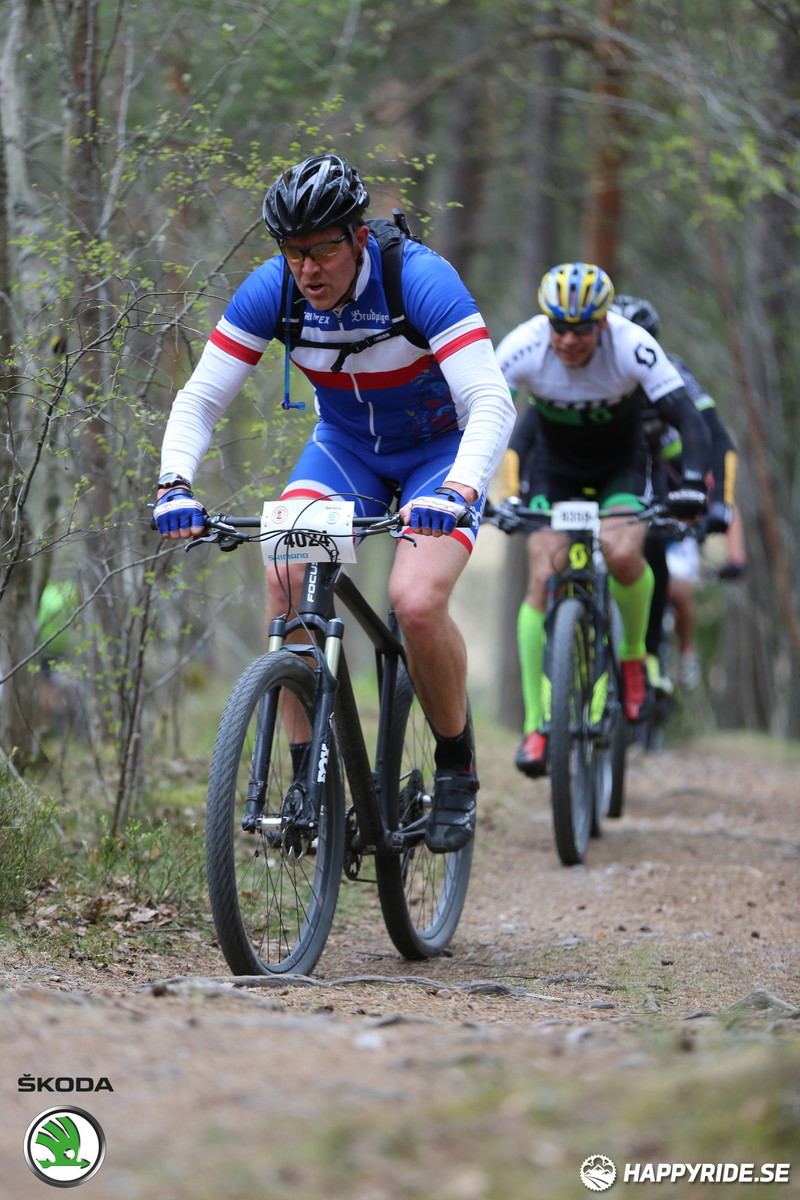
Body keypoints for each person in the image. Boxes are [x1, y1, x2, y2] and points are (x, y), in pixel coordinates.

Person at [153, 153, 515, 852]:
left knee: (413, 601)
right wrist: (175, 485)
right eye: (293, 253)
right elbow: (200, 399)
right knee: (284, 575)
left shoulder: (419, 279)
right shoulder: (275, 292)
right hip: (346, 452)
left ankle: (456, 764)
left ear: (357, 238)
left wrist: (460, 488)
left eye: (321, 250)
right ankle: (303, 782)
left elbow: (488, 399)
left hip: (440, 455)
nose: (308, 270)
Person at [495, 262, 711, 777]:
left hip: (621, 466)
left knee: (621, 552)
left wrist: (691, 484)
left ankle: (633, 660)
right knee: (542, 577)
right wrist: (494, 492)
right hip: (554, 469)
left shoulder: (633, 345)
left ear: (604, 323)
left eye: (582, 328)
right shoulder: (523, 345)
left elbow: (690, 419)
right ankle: (536, 725)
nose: (569, 340)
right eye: (559, 326)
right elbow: (489, 421)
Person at [609, 295, 744, 693]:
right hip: (618, 479)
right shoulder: (591, 372)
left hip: (670, 487)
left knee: (671, 583)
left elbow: (718, 441)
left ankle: (660, 654)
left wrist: (720, 504)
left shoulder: (675, 374)